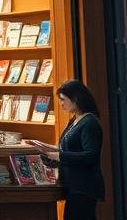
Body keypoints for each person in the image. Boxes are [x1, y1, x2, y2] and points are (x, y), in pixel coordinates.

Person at [28, 80, 103, 220]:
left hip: (83, 188)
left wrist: (57, 156)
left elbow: (90, 155)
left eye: (63, 100)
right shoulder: (74, 120)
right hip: (71, 186)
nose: (61, 104)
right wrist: (45, 148)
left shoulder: (89, 122)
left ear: (75, 98)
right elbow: (66, 148)